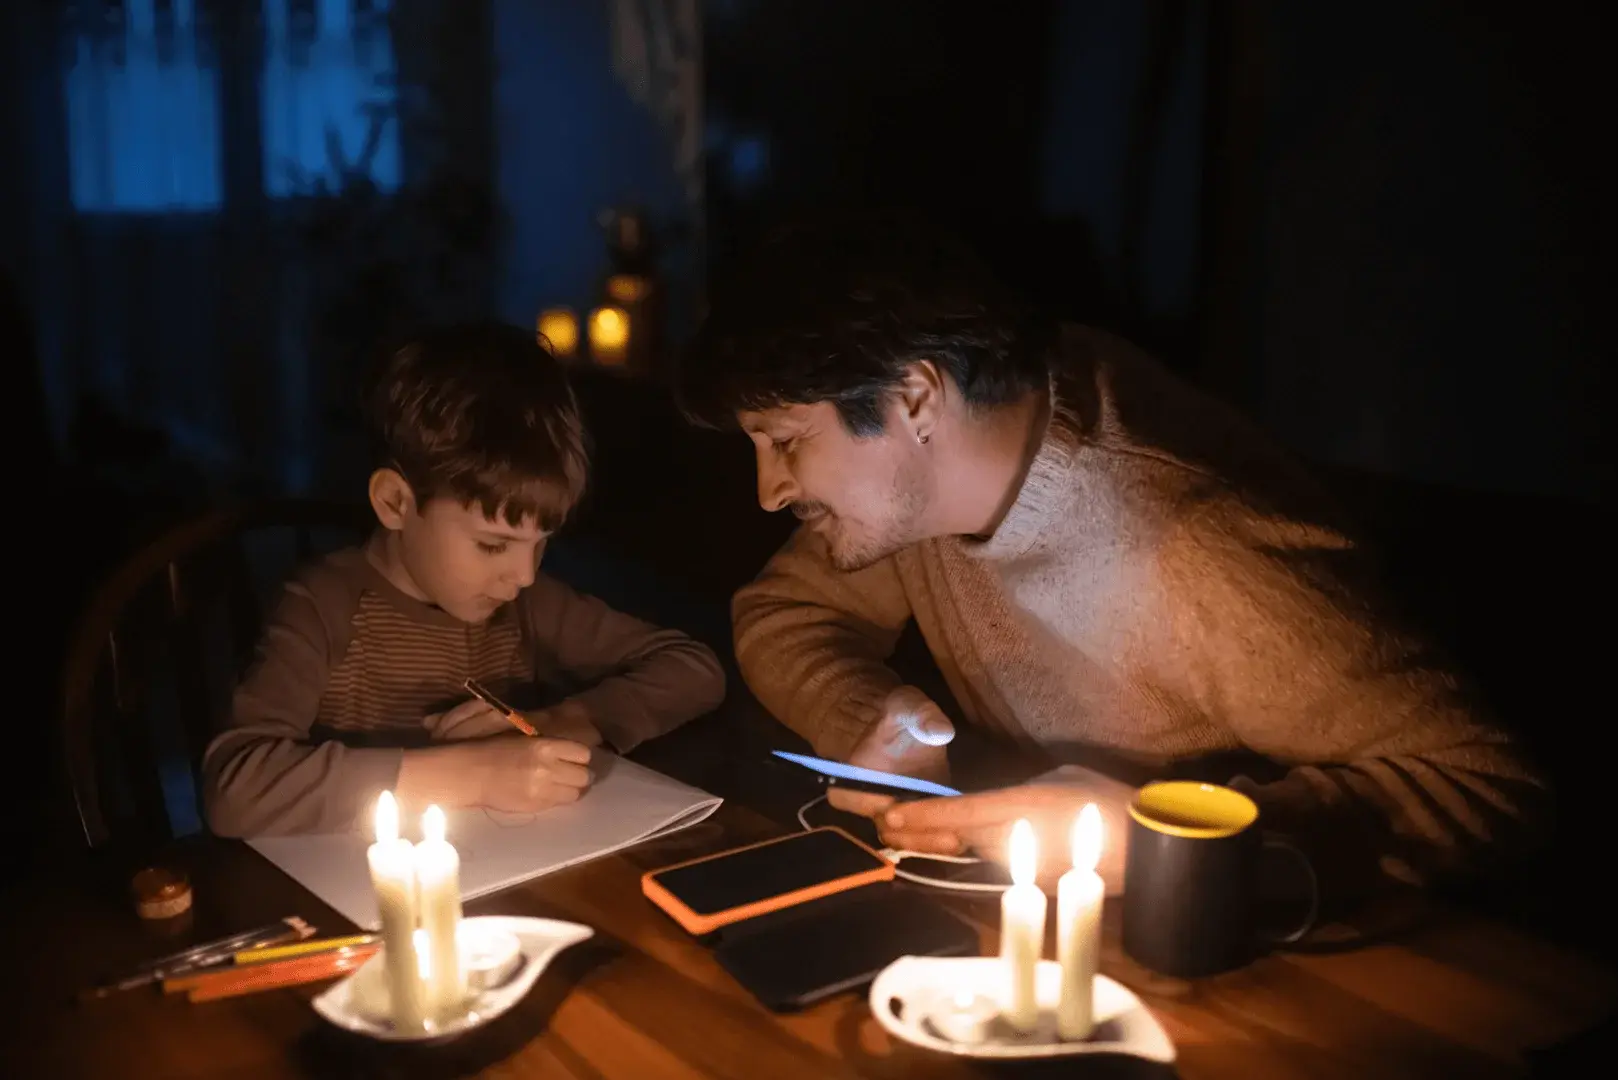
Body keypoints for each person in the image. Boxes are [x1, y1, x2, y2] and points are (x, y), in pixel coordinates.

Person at [676, 213, 1545, 898]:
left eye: (785, 440)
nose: (768, 491)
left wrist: (1175, 837)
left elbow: (1489, 787)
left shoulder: (1195, 548)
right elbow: (784, 611)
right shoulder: (925, 482)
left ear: (914, 398)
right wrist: (871, 719)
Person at [204, 322, 725, 837]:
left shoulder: (527, 605)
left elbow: (694, 669)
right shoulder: (321, 608)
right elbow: (235, 789)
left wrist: (568, 721)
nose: (523, 574)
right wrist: (475, 775)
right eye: (493, 545)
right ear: (395, 502)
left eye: (541, 542)